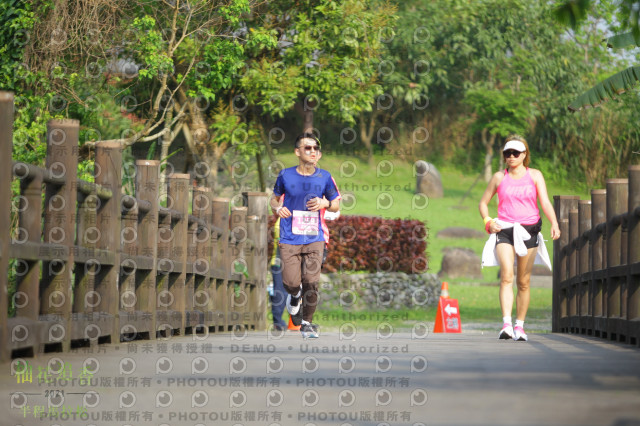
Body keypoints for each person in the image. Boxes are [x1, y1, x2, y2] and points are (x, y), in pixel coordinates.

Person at [479, 135, 560, 342]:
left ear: (525, 154)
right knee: (507, 275)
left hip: (529, 231)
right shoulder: (499, 177)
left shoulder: (535, 175)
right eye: (508, 153)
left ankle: (520, 326)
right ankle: (506, 324)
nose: (512, 157)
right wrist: (488, 222)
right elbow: (483, 203)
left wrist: (554, 223)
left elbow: (545, 202)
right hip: (504, 230)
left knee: (523, 281)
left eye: (516, 153)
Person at [270, 133, 340, 339]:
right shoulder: (285, 175)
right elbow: (273, 200)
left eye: (315, 148)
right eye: (307, 148)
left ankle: (307, 323)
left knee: (311, 280)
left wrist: (325, 203)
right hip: (289, 236)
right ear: (297, 152)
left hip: (314, 237)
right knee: (291, 283)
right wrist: (278, 208)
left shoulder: (325, 177)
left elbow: (336, 203)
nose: (312, 151)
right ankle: (295, 295)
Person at [268, 217, 287, 331]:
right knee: (281, 293)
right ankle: (278, 322)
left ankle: (296, 321)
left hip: (290, 262)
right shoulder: (282, 220)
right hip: (279, 262)